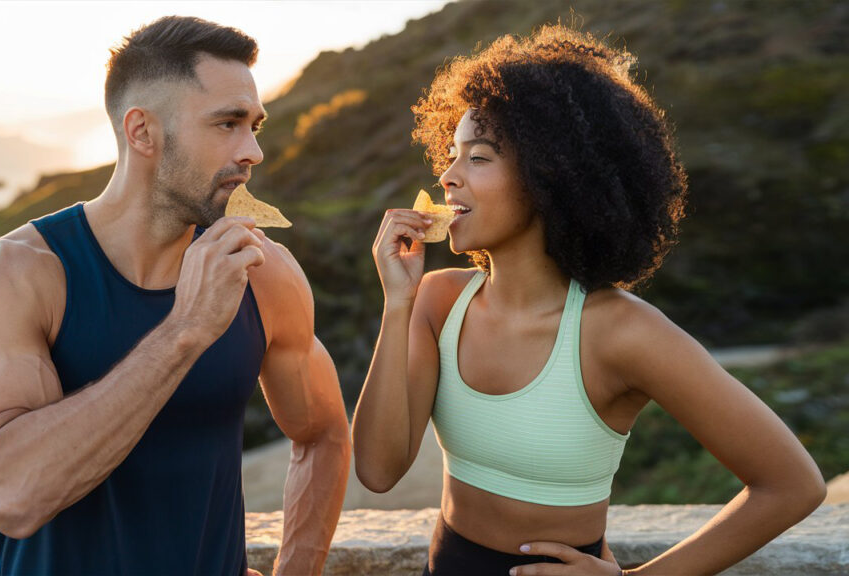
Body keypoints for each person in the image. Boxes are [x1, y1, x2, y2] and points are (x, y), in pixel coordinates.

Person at [352, 24, 825, 576]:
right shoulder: (437, 300)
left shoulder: (622, 332)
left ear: (551, 174)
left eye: (477, 158)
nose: (447, 175)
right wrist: (397, 303)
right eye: (452, 155)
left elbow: (792, 485)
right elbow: (378, 470)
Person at [0, 16, 350, 576]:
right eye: (228, 123)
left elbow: (324, 433)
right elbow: (13, 495)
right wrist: (186, 330)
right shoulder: (9, 275)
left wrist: (296, 569)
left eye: (255, 125)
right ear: (142, 132)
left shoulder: (262, 273)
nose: (253, 150)